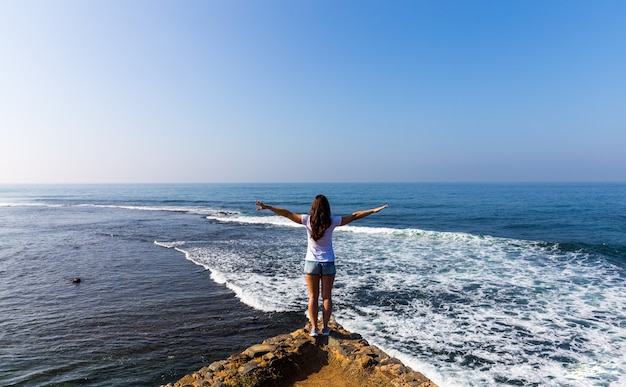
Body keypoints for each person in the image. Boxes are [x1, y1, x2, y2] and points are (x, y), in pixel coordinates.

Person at [255, 195, 388, 337]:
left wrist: (268, 207)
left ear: (313, 207)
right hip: (328, 263)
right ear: (327, 207)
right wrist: (373, 210)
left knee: (313, 297)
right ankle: (324, 328)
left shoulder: (307, 220)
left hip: (311, 263)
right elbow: (354, 216)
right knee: (326, 297)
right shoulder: (332, 221)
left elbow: (286, 213)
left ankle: (313, 328)